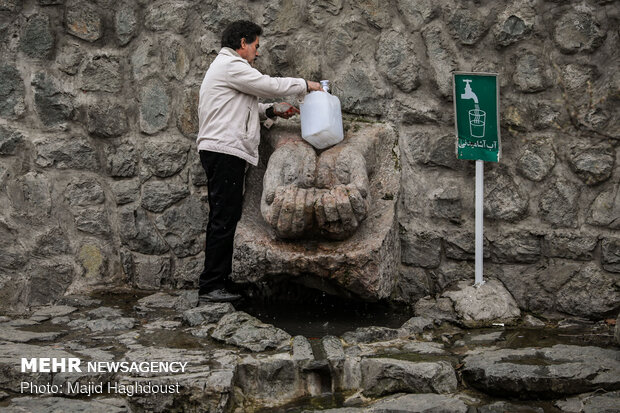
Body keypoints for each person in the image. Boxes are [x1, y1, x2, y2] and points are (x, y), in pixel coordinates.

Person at [196, 20, 323, 303]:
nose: (257, 52)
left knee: (226, 217)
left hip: (223, 150)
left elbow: (244, 105)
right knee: (222, 218)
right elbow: (266, 84)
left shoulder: (228, 70)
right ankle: (211, 286)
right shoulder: (231, 65)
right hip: (224, 151)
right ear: (242, 43)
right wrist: (304, 85)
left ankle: (220, 281)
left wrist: (272, 111)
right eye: (255, 45)